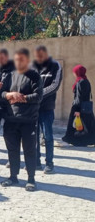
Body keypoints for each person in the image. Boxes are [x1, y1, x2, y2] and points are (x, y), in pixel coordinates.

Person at [0, 48, 43, 192]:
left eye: (22, 59)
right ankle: (13, 176)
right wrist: (9, 94)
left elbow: (38, 96)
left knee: (29, 150)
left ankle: (31, 179)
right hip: (11, 120)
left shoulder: (34, 76)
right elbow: (1, 93)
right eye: (17, 59)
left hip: (28, 121)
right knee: (12, 150)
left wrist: (22, 98)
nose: (19, 62)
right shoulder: (9, 75)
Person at [33, 45, 62, 174]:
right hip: (33, 108)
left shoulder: (55, 66)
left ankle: (49, 163)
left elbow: (55, 85)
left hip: (47, 108)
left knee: (48, 136)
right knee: (34, 136)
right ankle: (36, 162)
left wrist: (39, 93)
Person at [62, 65, 95, 146]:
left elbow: (79, 97)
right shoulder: (85, 80)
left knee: (78, 125)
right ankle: (85, 141)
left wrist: (77, 109)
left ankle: (78, 141)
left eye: (75, 72)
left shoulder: (81, 82)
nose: (73, 73)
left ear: (78, 72)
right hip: (85, 107)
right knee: (85, 126)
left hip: (79, 107)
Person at [0, 49, 15, 163]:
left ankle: (12, 158)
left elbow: (15, 86)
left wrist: (3, 86)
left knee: (9, 133)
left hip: (8, 105)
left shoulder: (14, 70)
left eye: (2, 58)